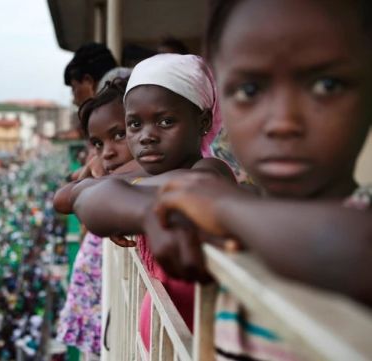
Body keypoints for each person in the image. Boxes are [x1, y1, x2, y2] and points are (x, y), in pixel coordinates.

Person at [148, 0, 372, 359]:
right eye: (250, 91)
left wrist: (223, 208)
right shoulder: (246, 209)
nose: (282, 121)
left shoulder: (233, 211)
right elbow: (90, 201)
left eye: (328, 85)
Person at [62, 54, 235, 350]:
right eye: (134, 125)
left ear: (203, 121)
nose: (147, 137)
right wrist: (118, 198)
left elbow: (192, 190)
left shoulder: (210, 170)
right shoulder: (145, 174)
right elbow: (66, 197)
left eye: (166, 121)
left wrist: (124, 203)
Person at [56, 79, 133, 360]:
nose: (108, 152)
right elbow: (62, 200)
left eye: (120, 135)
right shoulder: (111, 175)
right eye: (98, 144)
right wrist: (93, 171)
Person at [64, 43, 130, 107]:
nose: (74, 101)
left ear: (88, 81)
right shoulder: (132, 80)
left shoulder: (108, 105)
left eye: (74, 88)